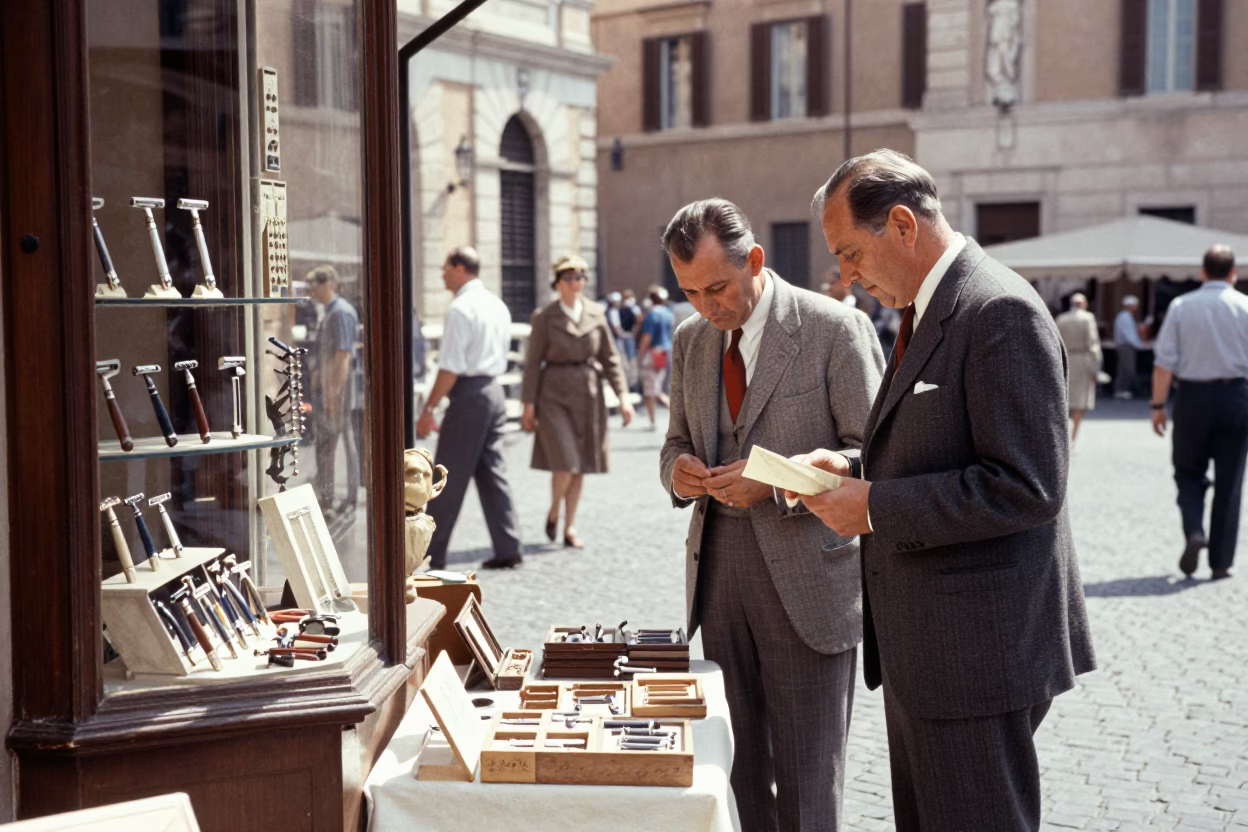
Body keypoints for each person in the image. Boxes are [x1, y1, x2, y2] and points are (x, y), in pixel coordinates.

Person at [797, 150, 1095, 831]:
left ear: (902, 225)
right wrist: (854, 468)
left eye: (849, 252)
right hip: (933, 647)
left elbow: (1028, 485)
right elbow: (941, 442)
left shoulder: (997, 312)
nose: (845, 275)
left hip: (976, 654)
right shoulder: (935, 305)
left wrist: (872, 507)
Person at [659, 199, 884, 830]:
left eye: (717, 288)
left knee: (811, 781)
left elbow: (875, 452)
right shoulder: (689, 340)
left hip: (811, 583)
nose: (706, 307)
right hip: (718, 580)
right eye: (690, 292)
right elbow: (675, 441)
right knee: (737, 773)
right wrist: (676, 474)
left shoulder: (833, 327)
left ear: (755, 260)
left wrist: (781, 483)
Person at [417, 246, 524, 570]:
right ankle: (509, 545)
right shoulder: (497, 305)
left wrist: (429, 408)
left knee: (446, 476)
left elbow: (450, 366)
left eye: (446, 267)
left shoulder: (461, 308)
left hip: (469, 395)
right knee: (493, 472)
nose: (442, 274)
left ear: (461, 268)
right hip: (493, 391)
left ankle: (428, 554)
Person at [521, 255, 634, 549]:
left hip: (588, 394)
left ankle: (569, 526)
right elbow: (532, 364)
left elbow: (609, 358)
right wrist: (528, 405)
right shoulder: (545, 317)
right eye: (569, 278)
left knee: (581, 464)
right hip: (554, 395)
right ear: (557, 283)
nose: (576, 283)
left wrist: (622, 396)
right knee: (565, 462)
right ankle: (554, 509)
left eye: (580, 277)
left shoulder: (596, 314)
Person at [1150, 244, 1248, 581]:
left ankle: (1194, 530)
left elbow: (1164, 363)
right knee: (1230, 481)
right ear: (1233, 273)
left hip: (1192, 396)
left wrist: (1158, 405)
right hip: (1237, 395)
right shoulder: (1246, 307)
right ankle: (1220, 563)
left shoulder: (1181, 305)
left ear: (1203, 272)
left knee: (1187, 471)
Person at [308, 265, 360, 516]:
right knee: (330, 441)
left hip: (338, 387)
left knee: (344, 439)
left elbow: (342, 357)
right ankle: (329, 495)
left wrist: (333, 395)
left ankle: (349, 497)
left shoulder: (340, 313)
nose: (313, 292)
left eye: (315, 286)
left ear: (328, 283)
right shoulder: (329, 312)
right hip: (329, 386)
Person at [1056, 292, 1102, 442]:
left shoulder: (1061, 319)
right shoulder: (1088, 318)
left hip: (1065, 359)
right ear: (1084, 304)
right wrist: (1096, 367)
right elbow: (1093, 343)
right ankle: (1073, 438)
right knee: (1079, 402)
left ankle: (1062, 438)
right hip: (1082, 361)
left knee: (1063, 399)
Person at [636, 286, 674, 429]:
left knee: (651, 391)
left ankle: (653, 422)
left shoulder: (651, 315)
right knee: (658, 386)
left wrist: (640, 354)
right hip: (665, 351)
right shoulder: (668, 313)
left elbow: (647, 336)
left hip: (652, 352)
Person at [1113, 295, 1144, 399]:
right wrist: (1138, 344)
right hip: (1126, 346)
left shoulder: (1125, 316)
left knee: (1124, 368)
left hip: (1125, 345)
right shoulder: (1125, 317)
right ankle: (1122, 389)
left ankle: (1122, 389)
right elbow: (1128, 334)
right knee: (1127, 368)